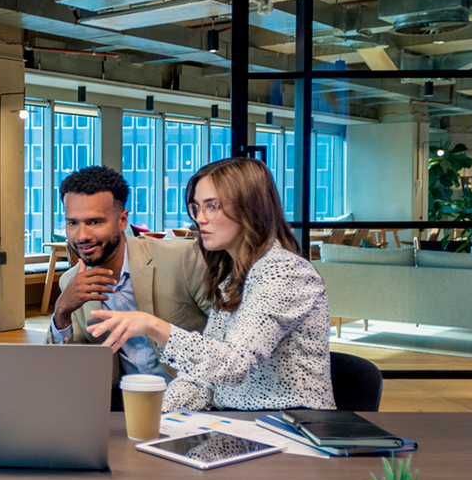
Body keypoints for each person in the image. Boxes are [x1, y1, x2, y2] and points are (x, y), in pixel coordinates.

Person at [87, 157, 335, 412]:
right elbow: (203, 379)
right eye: (197, 207)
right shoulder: (232, 277)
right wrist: (152, 415)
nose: (200, 218)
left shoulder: (284, 272)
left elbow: (235, 364)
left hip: (293, 428)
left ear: (251, 208)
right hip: (242, 426)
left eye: (212, 206)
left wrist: (154, 325)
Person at [45, 166, 212, 400]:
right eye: (72, 223)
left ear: (123, 220)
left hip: (201, 400)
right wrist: (61, 312)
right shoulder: (71, 282)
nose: (81, 235)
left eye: (94, 222)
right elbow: (59, 371)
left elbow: (231, 341)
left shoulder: (182, 258)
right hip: (127, 407)